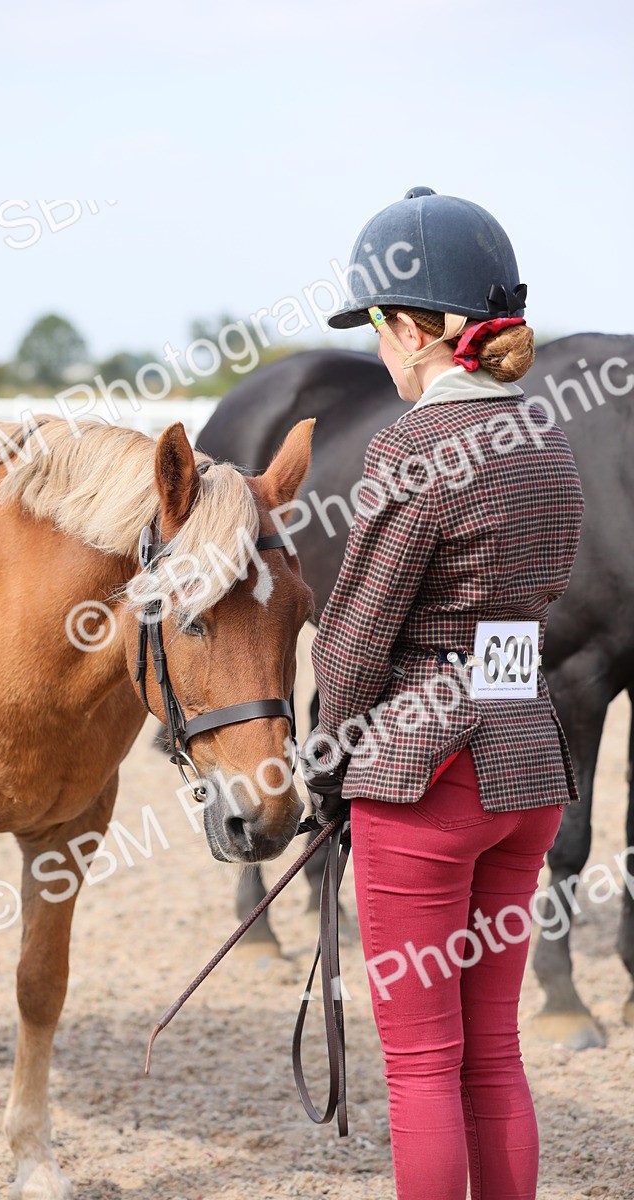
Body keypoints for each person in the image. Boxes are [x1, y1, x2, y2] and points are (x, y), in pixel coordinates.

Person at [301, 187, 584, 1200]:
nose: (376, 349)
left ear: (412, 328)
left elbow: (352, 646)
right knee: (491, 1054)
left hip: (423, 784)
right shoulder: (548, 440)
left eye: (376, 327)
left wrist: (325, 767)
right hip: (526, 772)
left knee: (420, 1067)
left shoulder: (412, 446)